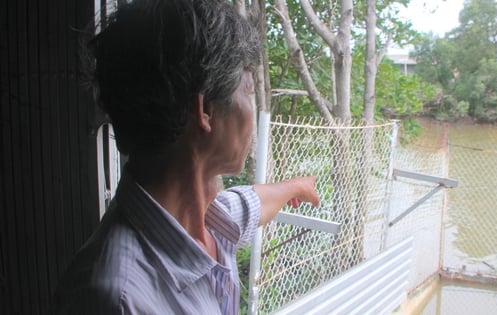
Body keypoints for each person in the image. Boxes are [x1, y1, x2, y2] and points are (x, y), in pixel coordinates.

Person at [51, 0, 320, 314]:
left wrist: (297, 187)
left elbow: (251, 204)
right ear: (205, 110)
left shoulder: (209, 220)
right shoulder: (117, 300)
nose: (252, 105)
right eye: (247, 89)